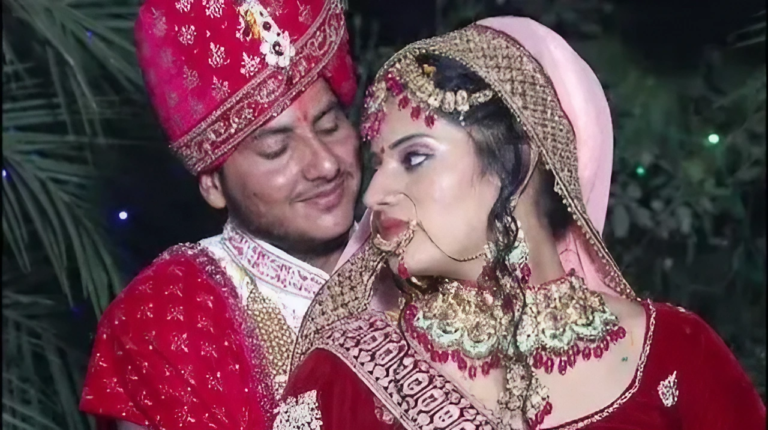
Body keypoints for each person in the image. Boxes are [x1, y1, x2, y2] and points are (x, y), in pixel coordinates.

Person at [275, 16, 766, 430]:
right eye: (378, 162)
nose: (373, 194)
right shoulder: (345, 373)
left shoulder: (675, 352)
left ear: (518, 158)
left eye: (415, 158)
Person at [79, 0, 362, 428]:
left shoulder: (428, 253)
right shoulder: (161, 324)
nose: (325, 164)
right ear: (213, 184)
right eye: (276, 149)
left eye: (330, 126)